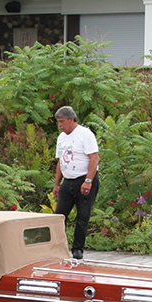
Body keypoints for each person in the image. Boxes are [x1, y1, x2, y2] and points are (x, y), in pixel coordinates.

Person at [52, 105, 99, 260]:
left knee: (83, 215)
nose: (60, 125)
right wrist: (57, 184)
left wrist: (88, 181)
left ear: (71, 119)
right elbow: (60, 162)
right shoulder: (61, 138)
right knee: (59, 216)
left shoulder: (85, 134)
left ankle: (77, 249)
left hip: (84, 179)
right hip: (68, 180)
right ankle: (59, 247)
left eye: (62, 121)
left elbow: (94, 158)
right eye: (58, 122)